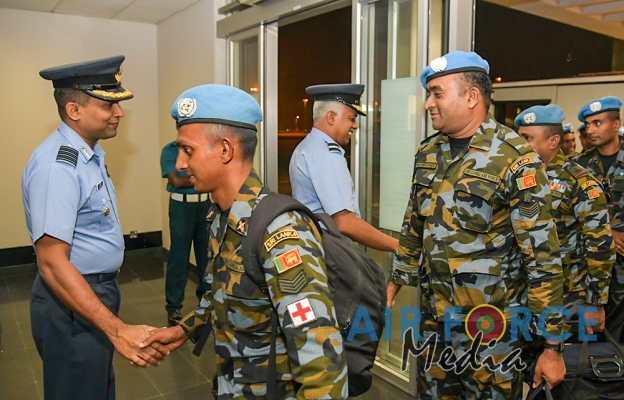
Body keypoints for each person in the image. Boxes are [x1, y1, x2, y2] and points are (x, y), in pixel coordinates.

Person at [141, 84, 348, 399]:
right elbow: (223, 295)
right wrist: (185, 328)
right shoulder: (221, 217)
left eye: (188, 151)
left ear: (226, 150)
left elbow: (321, 361)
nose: (180, 164)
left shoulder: (280, 232)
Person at [385, 51, 566, 399]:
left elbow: (543, 257)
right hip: (435, 320)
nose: (428, 103)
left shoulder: (516, 159)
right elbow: (414, 221)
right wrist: (398, 276)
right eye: (428, 94)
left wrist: (552, 345)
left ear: (471, 97)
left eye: (437, 93)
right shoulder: (429, 152)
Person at [21, 56, 169, 400]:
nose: (119, 112)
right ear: (74, 110)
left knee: (95, 388)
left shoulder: (88, 153)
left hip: (90, 293)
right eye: (107, 105)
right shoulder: (58, 166)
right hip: (70, 300)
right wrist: (118, 331)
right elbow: (52, 264)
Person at [515, 104, 615, 341]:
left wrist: (595, 302)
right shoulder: (519, 177)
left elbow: (600, 244)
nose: (519, 145)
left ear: (553, 141)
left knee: (564, 358)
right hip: (523, 291)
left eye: (527, 138)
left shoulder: (579, 183)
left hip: (567, 296)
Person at [288, 84, 398, 253]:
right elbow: (345, 222)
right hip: (330, 254)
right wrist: (397, 246)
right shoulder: (326, 153)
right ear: (331, 117)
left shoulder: (307, 146)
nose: (355, 126)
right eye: (351, 118)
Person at [574, 96, 624, 313]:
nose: (591, 130)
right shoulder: (578, 166)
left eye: (597, 123)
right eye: (588, 125)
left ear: (616, 124)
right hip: (590, 263)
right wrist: (607, 232)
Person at [160, 140, 211, 326]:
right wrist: (201, 177)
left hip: (205, 205)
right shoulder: (170, 150)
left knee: (206, 257)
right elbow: (175, 180)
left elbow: (212, 175)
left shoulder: (204, 147)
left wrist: (192, 178)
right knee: (179, 256)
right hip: (181, 207)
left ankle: (207, 304)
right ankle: (173, 307)